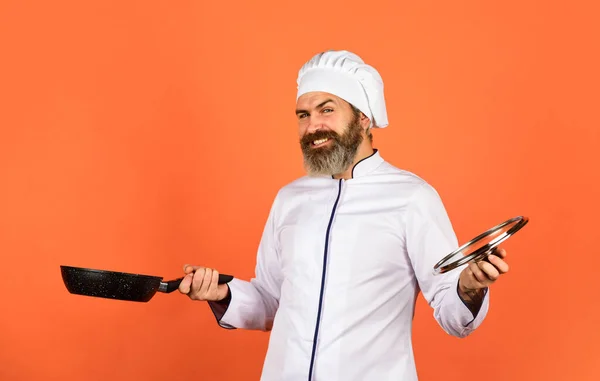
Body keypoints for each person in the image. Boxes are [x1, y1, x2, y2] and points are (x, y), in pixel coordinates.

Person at [178, 50, 510, 381]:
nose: (313, 126)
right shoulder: (289, 199)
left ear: (363, 117)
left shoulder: (411, 197)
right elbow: (271, 301)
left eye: (327, 110)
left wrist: (468, 289)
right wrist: (221, 292)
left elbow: (453, 316)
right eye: (303, 115)